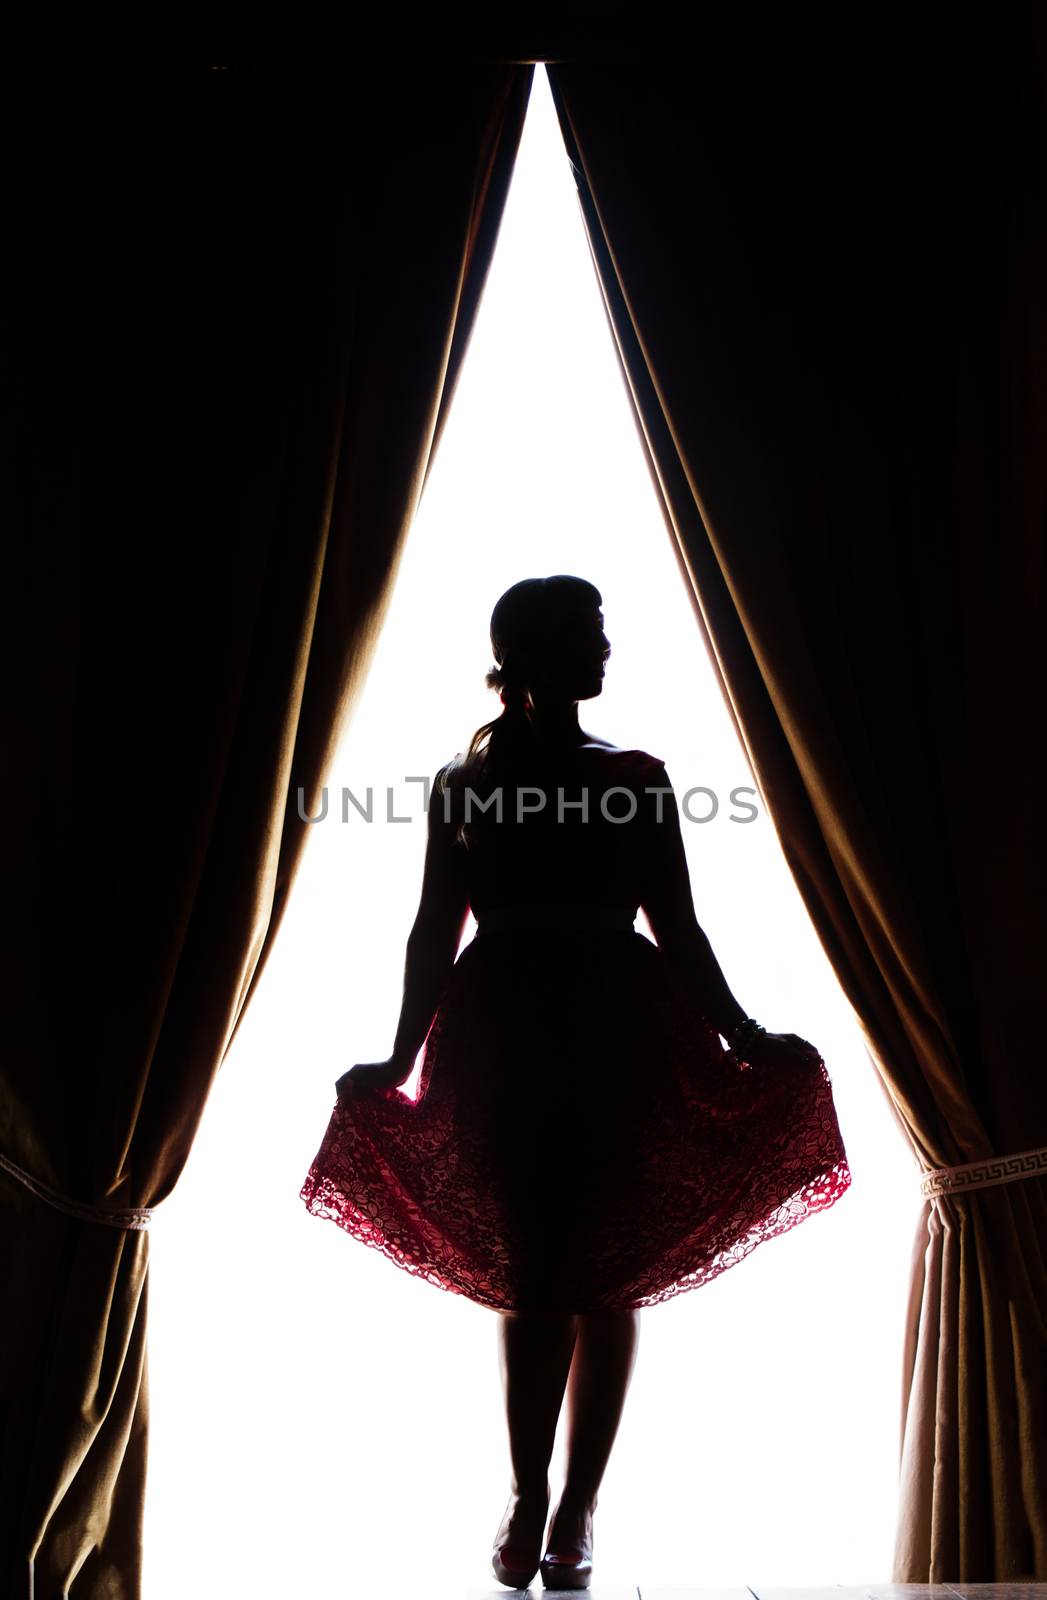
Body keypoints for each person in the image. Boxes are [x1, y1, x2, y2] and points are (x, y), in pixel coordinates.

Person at [300, 573, 852, 1591]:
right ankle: (527, 1490)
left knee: (606, 1262)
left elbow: (677, 927)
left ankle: (576, 1506)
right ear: (536, 650)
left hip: (619, 1033)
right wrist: (396, 1054)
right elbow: (433, 930)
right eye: (587, 633)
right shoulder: (461, 785)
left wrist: (746, 1034)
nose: (605, 649)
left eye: (602, 632)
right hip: (503, 1034)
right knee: (539, 1266)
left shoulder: (637, 776)